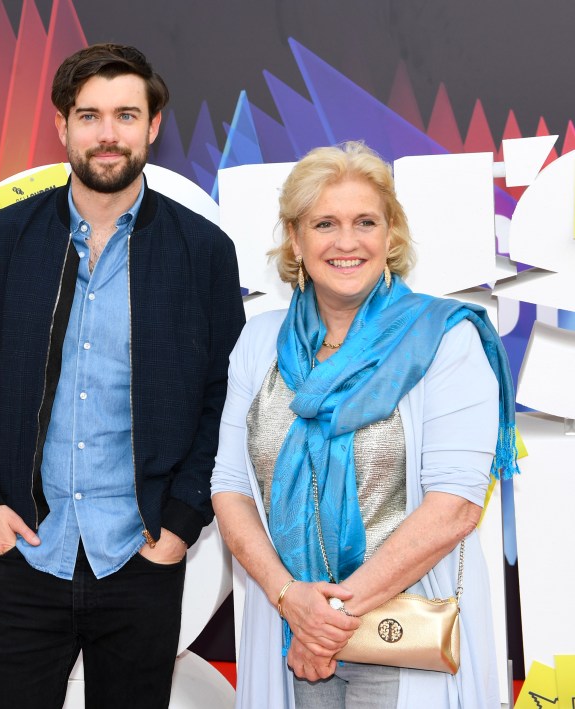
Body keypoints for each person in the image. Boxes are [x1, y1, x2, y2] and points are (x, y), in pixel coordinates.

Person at [0, 43, 245, 708]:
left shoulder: (202, 251)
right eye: (89, 116)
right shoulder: (3, 238)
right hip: (25, 551)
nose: (107, 134)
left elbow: (225, 399)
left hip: (139, 556)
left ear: (153, 125)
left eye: (125, 115)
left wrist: (180, 520)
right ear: (61, 126)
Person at [211, 141, 516, 708]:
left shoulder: (445, 338)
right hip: (288, 629)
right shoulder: (259, 343)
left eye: (364, 222)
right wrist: (289, 599)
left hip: (406, 628)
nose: (346, 241)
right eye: (324, 223)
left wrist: (327, 619)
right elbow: (229, 486)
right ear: (296, 240)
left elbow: (455, 506)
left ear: (391, 236)